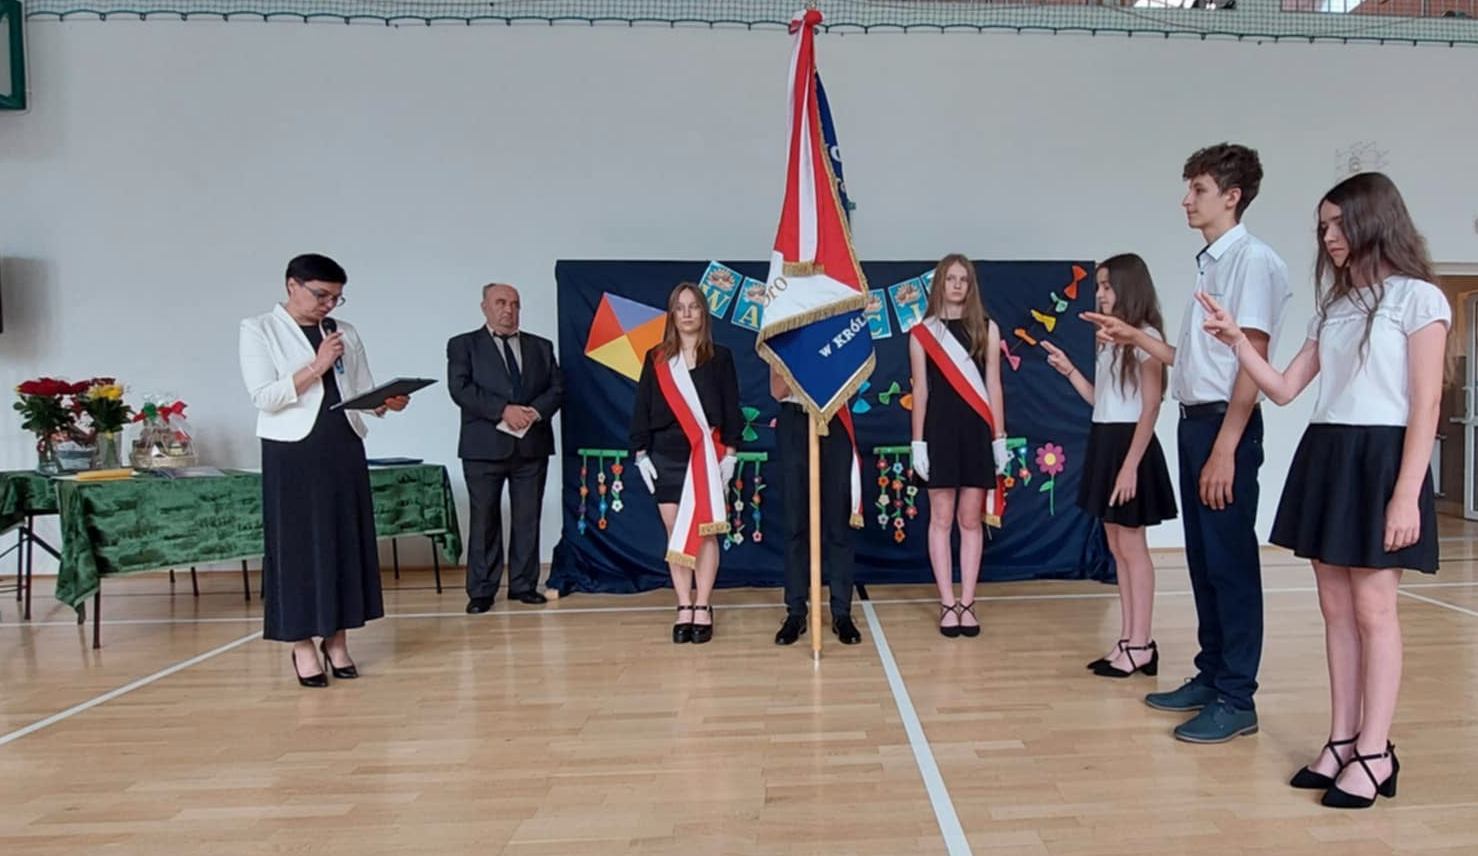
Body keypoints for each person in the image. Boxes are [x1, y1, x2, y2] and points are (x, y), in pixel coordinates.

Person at [1199, 172, 1446, 808]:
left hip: (1383, 459)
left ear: (1375, 221)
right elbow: (1284, 389)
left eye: (1339, 224)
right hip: (1329, 455)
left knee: (1374, 610)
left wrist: (1406, 492)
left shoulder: (1420, 299)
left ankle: (1375, 751)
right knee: (1336, 610)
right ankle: (1342, 739)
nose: (1329, 236)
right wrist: (1238, 341)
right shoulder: (1335, 307)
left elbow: (1426, 405)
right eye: (1323, 227)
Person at [1085, 143, 1291, 743]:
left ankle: (1237, 697)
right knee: (1203, 560)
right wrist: (1133, 336)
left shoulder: (1253, 262)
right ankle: (1211, 675)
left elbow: (1252, 361)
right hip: (1195, 422)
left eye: (1198, 189)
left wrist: (1226, 446)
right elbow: (1190, 360)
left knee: (1230, 562)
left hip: (1225, 426)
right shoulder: (1210, 265)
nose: (1186, 200)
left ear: (1232, 196)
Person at [238, 253, 410, 688]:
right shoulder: (259, 329)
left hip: (342, 443)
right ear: (292, 285)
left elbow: (360, 391)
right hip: (292, 450)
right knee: (297, 546)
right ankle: (301, 644)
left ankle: (337, 639)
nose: (328, 305)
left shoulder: (343, 331)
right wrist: (316, 366)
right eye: (321, 295)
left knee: (343, 541)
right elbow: (264, 396)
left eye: (336, 298)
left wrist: (386, 402)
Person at [1041, 254, 1177, 678]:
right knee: (1118, 547)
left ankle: (1142, 643)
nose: (1100, 294)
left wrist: (1130, 466)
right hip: (1105, 441)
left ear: (1127, 288)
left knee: (1133, 547)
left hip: (1130, 447)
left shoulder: (1146, 338)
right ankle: (1129, 638)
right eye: (1098, 286)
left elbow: (1150, 406)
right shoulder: (1106, 339)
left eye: (1106, 286)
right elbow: (1102, 400)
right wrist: (1069, 371)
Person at [628, 283, 742, 644]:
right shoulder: (656, 358)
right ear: (672, 315)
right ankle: (683, 604)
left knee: (705, 531)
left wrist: (731, 454)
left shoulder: (720, 357)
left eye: (694, 306)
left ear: (703, 313)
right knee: (675, 528)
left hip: (706, 454)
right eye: (681, 307)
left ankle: (703, 604)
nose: (688, 313)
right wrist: (640, 453)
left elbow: (731, 407)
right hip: (666, 454)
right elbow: (642, 406)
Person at [908, 254, 1010, 638]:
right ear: (939, 283)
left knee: (970, 520)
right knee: (940, 519)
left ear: (970, 286)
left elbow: (994, 385)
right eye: (950, 278)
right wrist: (918, 442)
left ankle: (968, 602)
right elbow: (920, 390)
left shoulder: (987, 328)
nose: (956, 285)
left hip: (977, 433)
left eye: (962, 279)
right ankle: (947, 602)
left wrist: (999, 437)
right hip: (938, 433)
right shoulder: (922, 334)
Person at [448, 283, 564, 614]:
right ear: (484, 306)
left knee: (528, 518)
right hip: (483, 448)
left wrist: (535, 412)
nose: (508, 309)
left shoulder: (541, 346)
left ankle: (524, 585)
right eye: (500, 302)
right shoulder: (463, 345)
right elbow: (460, 389)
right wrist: (503, 410)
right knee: (484, 520)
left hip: (532, 446)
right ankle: (482, 590)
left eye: (514, 303)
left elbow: (557, 388)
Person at [770, 369, 864, 646]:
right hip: (794, 420)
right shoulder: (784, 337)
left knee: (839, 523)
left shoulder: (840, 338)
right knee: (795, 522)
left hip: (834, 417)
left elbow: (853, 377)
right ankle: (796, 611)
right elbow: (777, 391)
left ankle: (841, 612)